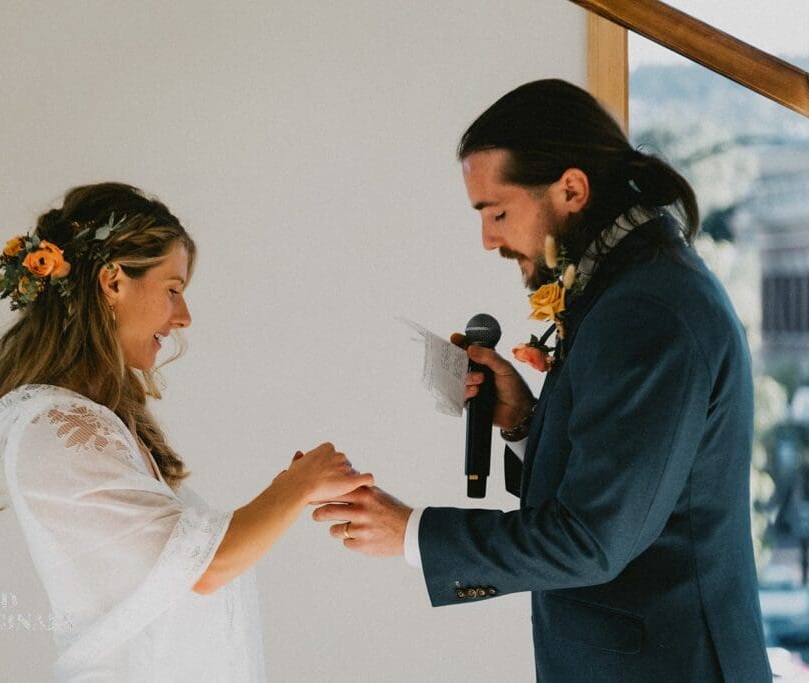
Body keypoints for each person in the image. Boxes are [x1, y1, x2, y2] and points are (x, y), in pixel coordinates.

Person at [313, 79, 772, 681]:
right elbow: (628, 478)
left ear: (572, 190)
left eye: (497, 213)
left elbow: (592, 539)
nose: (488, 240)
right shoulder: (628, 287)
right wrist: (527, 421)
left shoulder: (649, 311)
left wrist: (412, 533)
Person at [0, 182, 372, 681]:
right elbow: (203, 567)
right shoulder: (59, 428)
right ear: (113, 282)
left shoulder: (90, 420)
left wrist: (292, 490)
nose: (184, 317)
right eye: (173, 290)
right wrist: (298, 485)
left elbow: (185, 563)